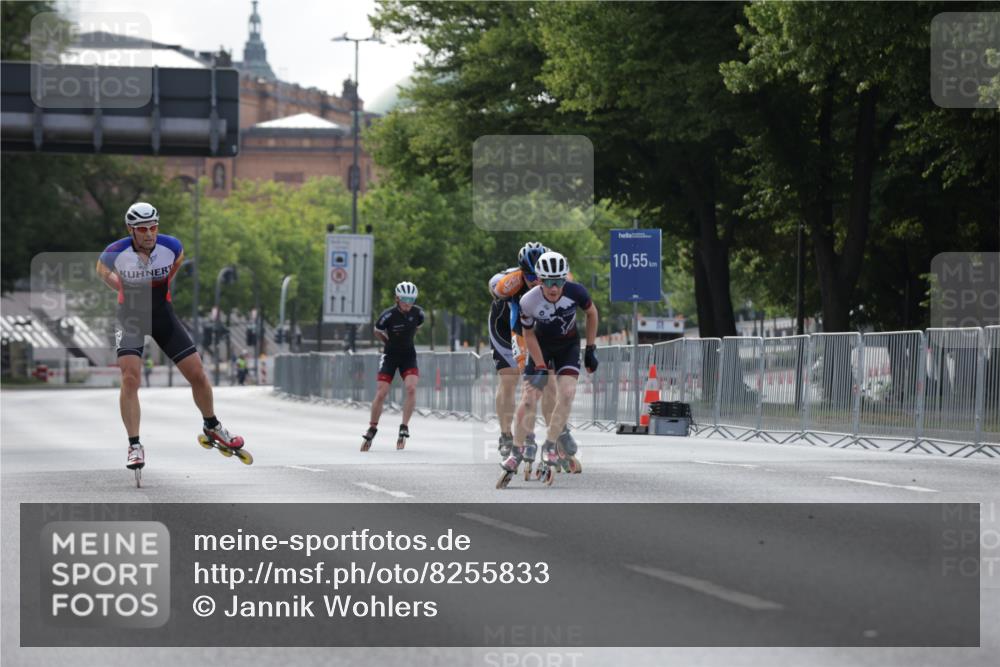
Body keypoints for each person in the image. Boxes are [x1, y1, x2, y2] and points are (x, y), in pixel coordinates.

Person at [96, 202, 245, 471]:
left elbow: (174, 266)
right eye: (142, 229)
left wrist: (158, 288)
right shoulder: (116, 251)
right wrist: (121, 286)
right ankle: (134, 445)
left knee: (198, 373)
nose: (149, 234)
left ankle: (212, 425)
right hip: (130, 316)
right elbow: (101, 271)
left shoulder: (172, 247)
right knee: (130, 377)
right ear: (131, 230)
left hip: (162, 315)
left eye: (153, 227)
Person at [498, 251, 599, 488]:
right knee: (529, 399)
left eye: (559, 281)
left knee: (566, 393)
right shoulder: (528, 301)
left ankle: (551, 444)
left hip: (568, 347)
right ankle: (516, 450)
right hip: (540, 347)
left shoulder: (577, 292)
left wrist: (591, 348)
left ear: (565, 279)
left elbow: (592, 313)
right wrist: (540, 365)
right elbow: (528, 333)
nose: (554, 288)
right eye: (549, 282)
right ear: (540, 280)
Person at [487, 242, 548, 462]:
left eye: (538, 275)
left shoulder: (550, 280)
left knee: (533, 382)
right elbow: (493, 285)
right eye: (530, 275)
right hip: (503, 327)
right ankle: (505, 434)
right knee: (509, 378)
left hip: (532, 330)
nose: (535, 281)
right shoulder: (511, 279)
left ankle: (529, 432)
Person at [362, 281, 424, 451]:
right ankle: (372, 427)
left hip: (408, 356)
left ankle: (404, 425)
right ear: (397, 298)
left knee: (411, 388)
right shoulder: (387, 315)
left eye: (411, 299)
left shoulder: (418, 314)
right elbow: (377, 330)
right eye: (404, 299)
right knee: (381, 392)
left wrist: (406, 341)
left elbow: (417, 327)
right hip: (390, 355)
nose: (408, 303)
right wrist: (388, 342)